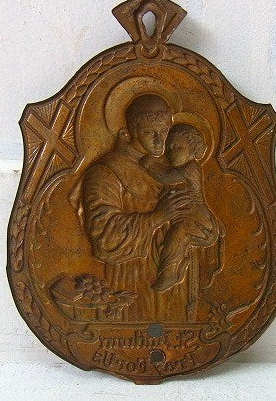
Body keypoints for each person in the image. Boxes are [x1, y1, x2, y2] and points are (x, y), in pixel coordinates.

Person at [75, 94, 192, 321]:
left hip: (175, 277)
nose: (160, 141)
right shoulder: (106, 172)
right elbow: (104, 235)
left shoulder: (171, 167)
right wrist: (157, 217)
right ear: (131, 131)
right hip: (132, 276)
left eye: (165, 132)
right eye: (150, 133)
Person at [140, 124, 222, 292]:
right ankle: (178, 269)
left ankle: (169, 274)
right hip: (188, 219)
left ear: (193, 150)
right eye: (169, 147)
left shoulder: (190, 168)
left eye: (179, 148)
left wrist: (149, 165)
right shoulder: (181, 168)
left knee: (176, 238)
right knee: (174, 240)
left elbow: (165, 177)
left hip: (197, 219)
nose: (172, 151)